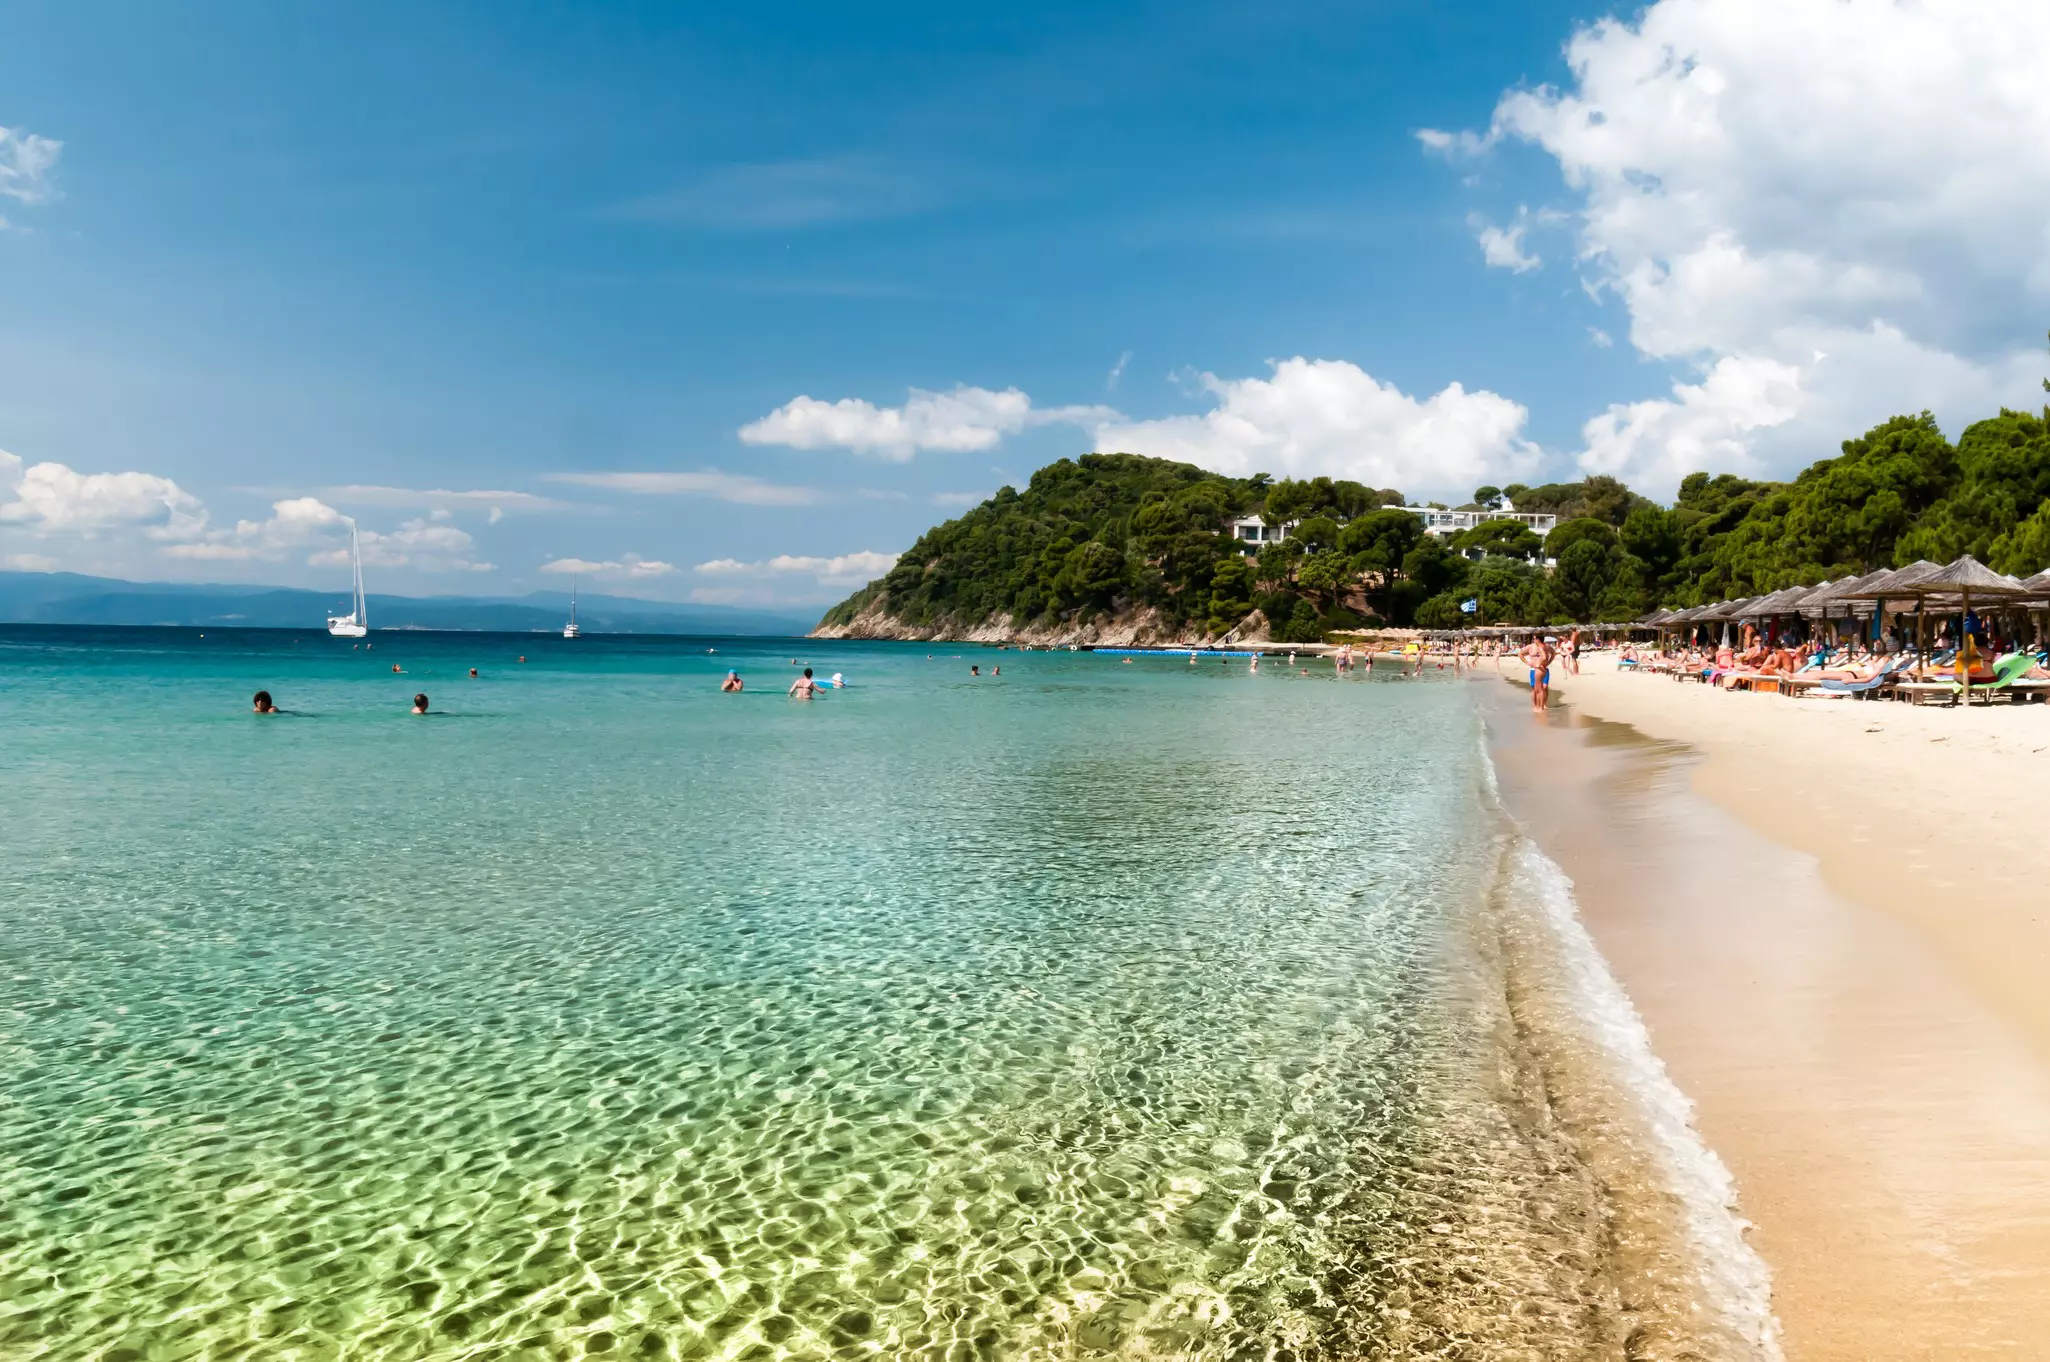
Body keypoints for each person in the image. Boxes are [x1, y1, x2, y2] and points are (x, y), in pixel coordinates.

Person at [1519, 634, 1555, 712]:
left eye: (1534, 639)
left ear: (1538, 639)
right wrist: (1527, 662)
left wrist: (1549, 662)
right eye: (1533, 639)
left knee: (1544, 687)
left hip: (1543, 668)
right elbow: (1520, 654)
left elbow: (1553, 653)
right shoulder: (1530, 647)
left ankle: (1543, 704)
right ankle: (1536, 705)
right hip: (1534, 669)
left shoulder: (1545, 646)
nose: (1533, 640)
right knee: (1535, 689)